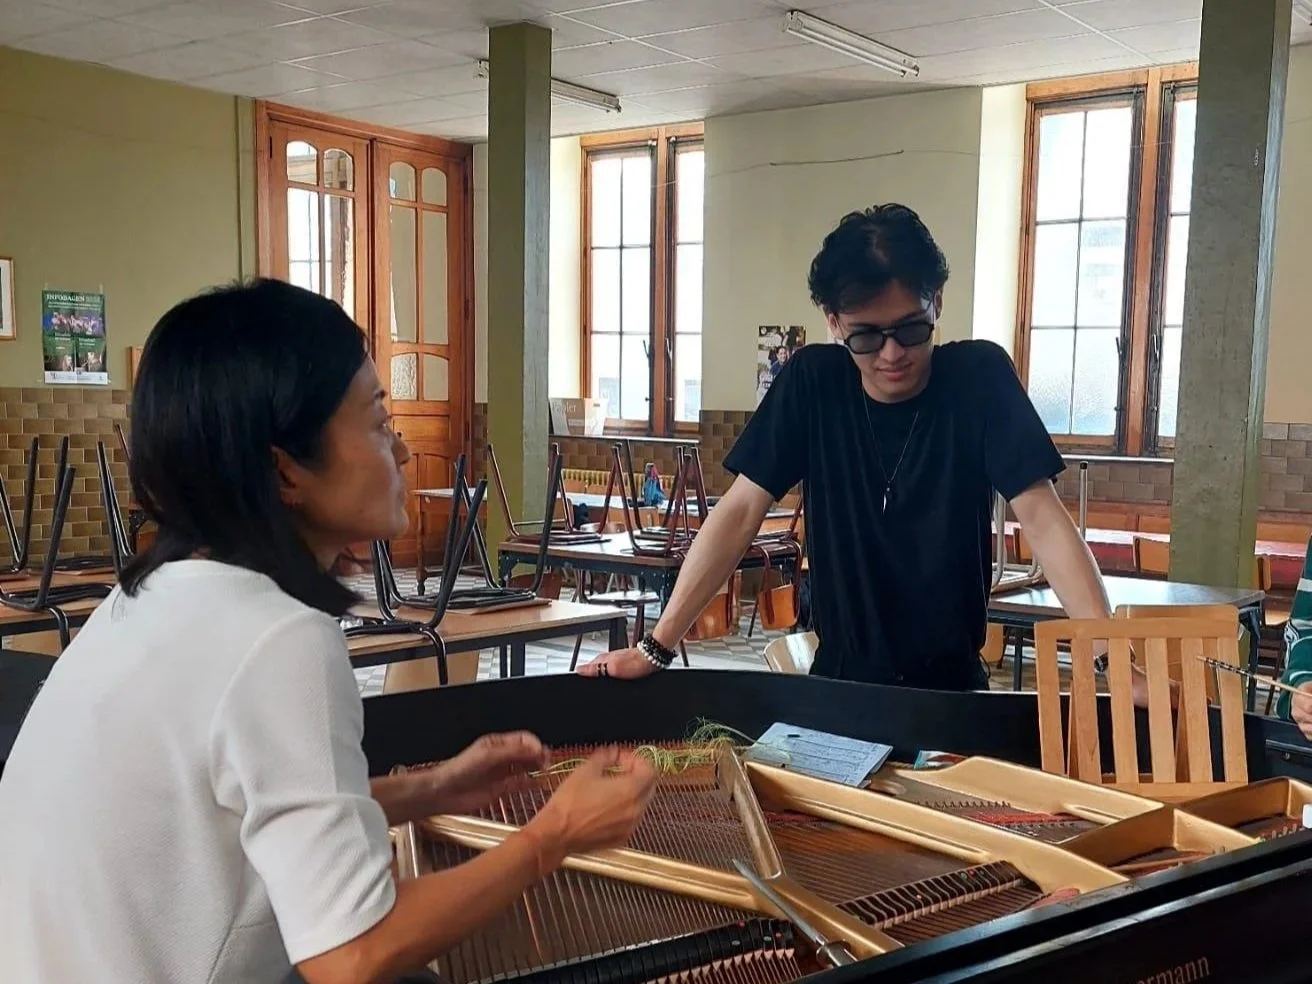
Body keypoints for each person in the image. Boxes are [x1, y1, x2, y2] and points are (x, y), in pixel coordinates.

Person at [0, 279, 657, 984]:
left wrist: (432, 789)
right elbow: (352, 956)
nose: (402, 452)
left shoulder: (144, 598)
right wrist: (554, 836)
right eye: (378, 423)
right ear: (284, 470)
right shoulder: (277, 640)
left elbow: (225, 820)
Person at [580, 203, 1139, 696]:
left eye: (911, 329)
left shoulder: (979, 378)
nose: (891, 354)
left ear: (937, 304)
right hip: (840, 685)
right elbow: (740, 511)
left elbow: (1042, 518)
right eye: (866, 336)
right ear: (833, 322)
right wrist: (656, 647)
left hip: (951, 688)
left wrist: (1111, 658)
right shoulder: (813, 383)